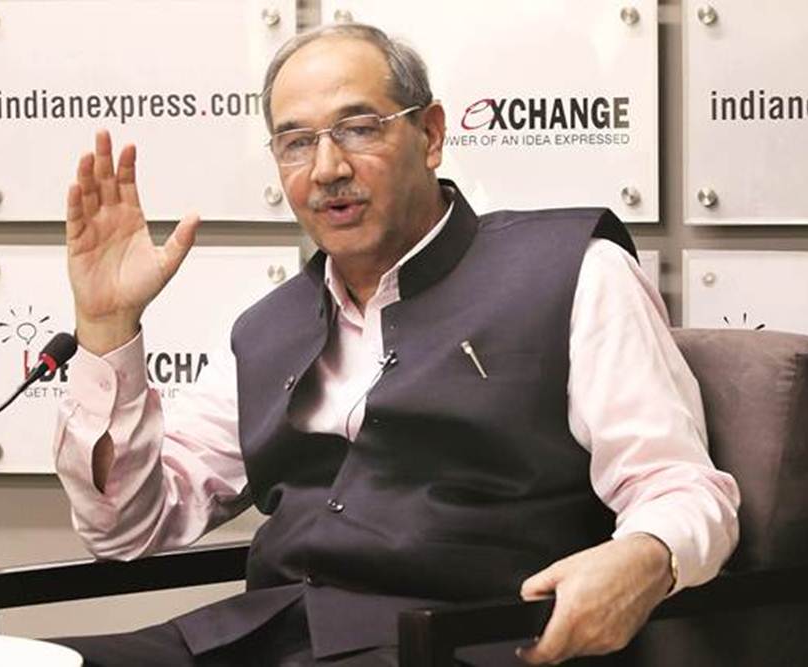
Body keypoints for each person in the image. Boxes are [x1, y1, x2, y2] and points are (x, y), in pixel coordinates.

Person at [51, 22, 739, 667]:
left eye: (358, 129)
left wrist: (646, 555)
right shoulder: (268, 327)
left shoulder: (575, 272)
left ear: (430, 134)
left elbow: (678, 486)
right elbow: (126, 528)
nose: (327, 168)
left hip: (454, 644)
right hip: (266, 637)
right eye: (296, 142)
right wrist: (108, 327)